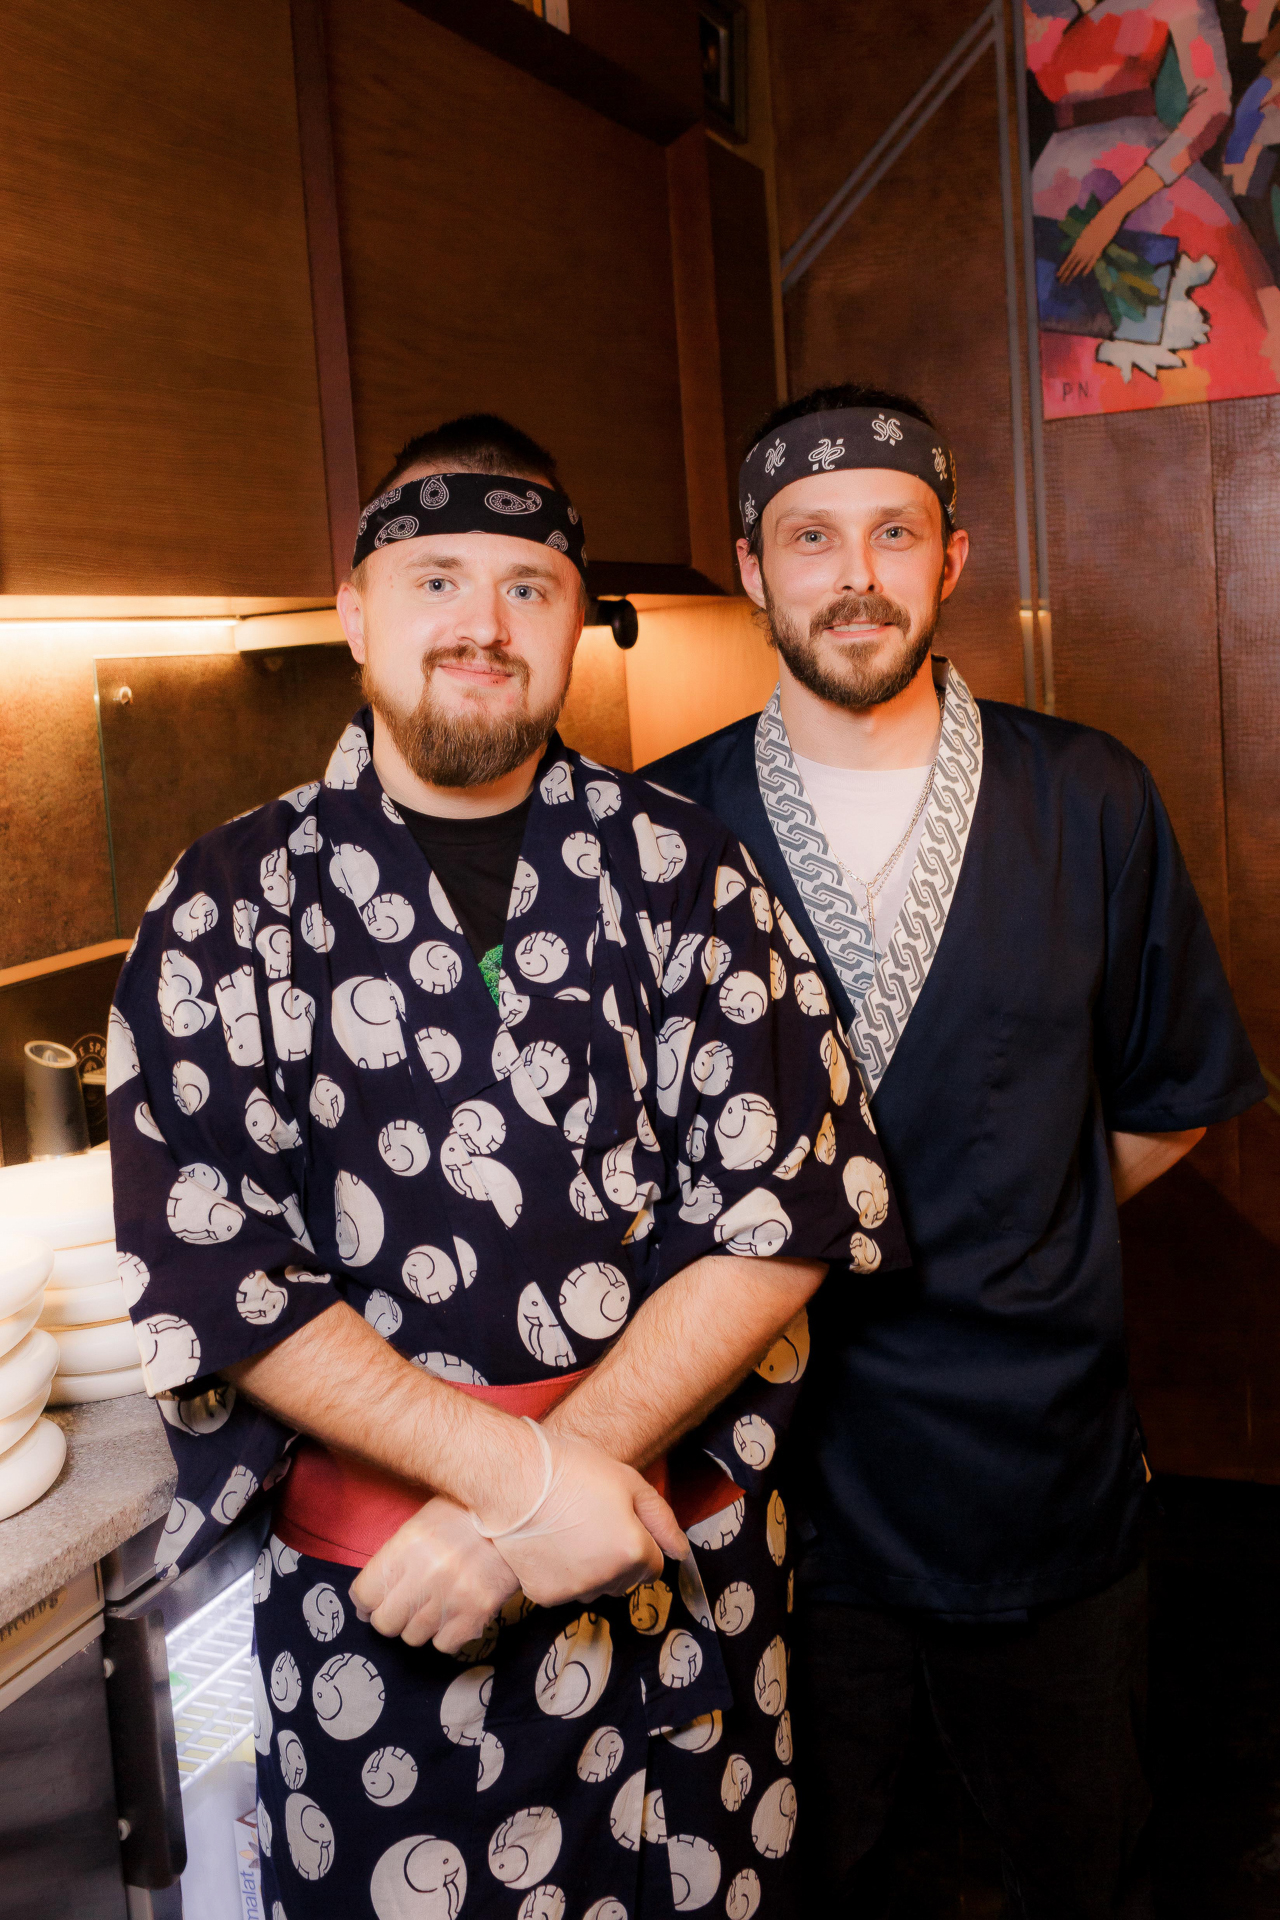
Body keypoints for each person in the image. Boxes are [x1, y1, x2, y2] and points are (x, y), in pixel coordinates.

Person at [106, 411, 906, 1920]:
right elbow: (219, 1271)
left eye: (528, 586)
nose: (483, 624)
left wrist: (514, 1517)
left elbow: (785, 1209)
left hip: (674, 1592)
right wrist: (520, 1487)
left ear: (571, 622)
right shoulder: (223, 905)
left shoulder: (687, 870)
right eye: (437, 579)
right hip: (389, 1617)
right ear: (355, 612)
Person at [645, 382, 1265, 1918]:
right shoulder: (661, 827)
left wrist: (1021, 1212)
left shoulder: (1087, 795)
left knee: (1078, 1871)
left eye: (894, 533)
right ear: (752, 566)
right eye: (811, 537)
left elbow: (1171, 1095)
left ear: (954, 557)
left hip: (1034, 1464)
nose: (855, 574)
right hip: (773, 1477)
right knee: (800, 1882)